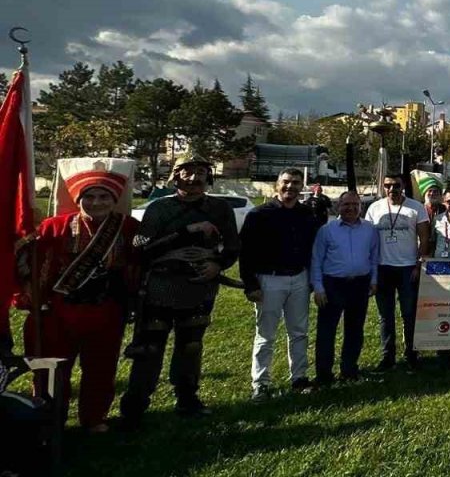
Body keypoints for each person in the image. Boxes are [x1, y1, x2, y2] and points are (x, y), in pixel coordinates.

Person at [18, 158, 139, 432]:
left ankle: (93, 417)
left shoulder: (129, 227)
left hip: (105, 309)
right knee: (52, 370)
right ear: (77, 198)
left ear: (114, 198)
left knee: (101, 367)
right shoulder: (54, 226)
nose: (96, 202)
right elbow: (29, 260)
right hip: (58, 311)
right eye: (90, 196)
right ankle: (51, 418)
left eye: (104, 196)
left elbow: (142, 249)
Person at [121, 153, 240, 428]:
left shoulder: (220, 209)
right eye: (187, 171)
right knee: (150, 349)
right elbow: (141, 248)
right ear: (176, 175)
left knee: (191, 347)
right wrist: (187, 231)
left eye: (200, 171)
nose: (195, 177)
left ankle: (187, 398)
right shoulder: (159, 209)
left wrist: (217, 265)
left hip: (198, 288)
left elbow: (232, 247)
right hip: (161, 287)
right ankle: (135, 405)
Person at [240, 168, 322, 400]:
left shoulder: (307, 215)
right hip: (269, 279)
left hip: (299, 279)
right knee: (265, 334)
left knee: (299, 332)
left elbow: (313, 250)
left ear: (301, 187)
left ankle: (299, 378)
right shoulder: (259, 215)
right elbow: (245, 253)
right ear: (277, 185)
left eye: (296, 183)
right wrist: (250, 284)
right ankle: (261, 382)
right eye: (286, 182)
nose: (291, 187)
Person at [365, 174, 431, 371]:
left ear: (403, 186)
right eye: (388, 185)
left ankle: (411, 354)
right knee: (386, 315)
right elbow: (368, 240)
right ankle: (388, 356)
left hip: (407, 268)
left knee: (409, 313)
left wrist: (418, 266)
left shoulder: (416, 207)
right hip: (383, 268)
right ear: (383, 187)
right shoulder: (374, 208)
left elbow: (425, 239)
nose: (392, 189)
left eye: (396, 185)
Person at [312, 192, 379, 383]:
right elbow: (316, 260)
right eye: (346, 204)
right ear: (337, 207)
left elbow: (374, 257)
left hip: (360, 284)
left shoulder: (370, 229)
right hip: (333, 285)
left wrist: (374, 280)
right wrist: (318, 287)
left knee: (355, 329)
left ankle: (349, 371)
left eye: (355, 204)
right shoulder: (327, 230)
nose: (351, 208)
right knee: (326, 331)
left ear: (361, 206)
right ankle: (324, 375)